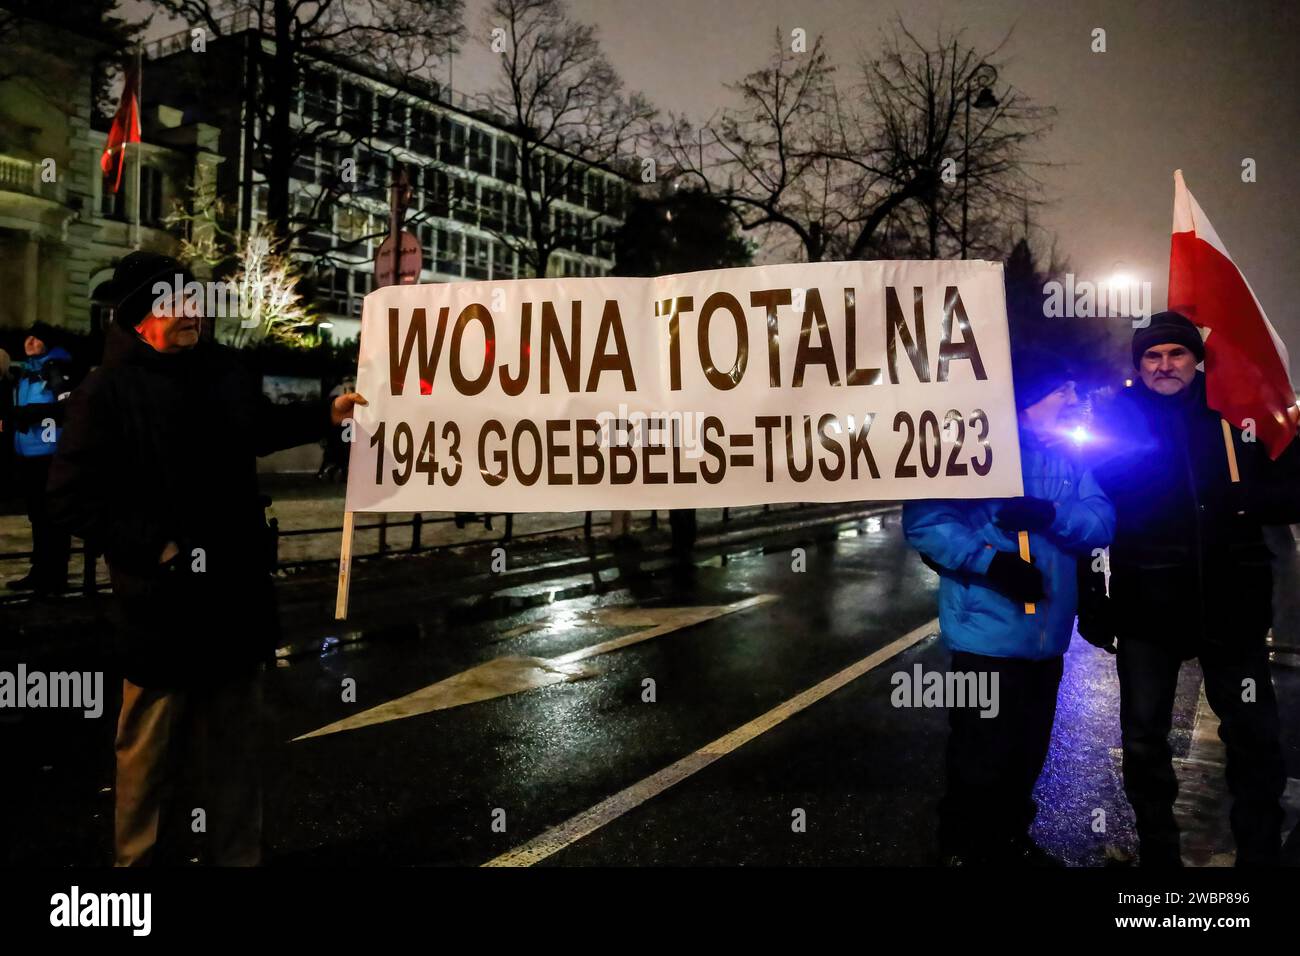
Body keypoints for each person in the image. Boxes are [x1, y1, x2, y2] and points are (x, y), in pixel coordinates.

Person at [46, 251, 367, 866]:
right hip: (160, 608)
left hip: (234, 598)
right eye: (175, 303)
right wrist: (154, 547)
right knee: (149, 756)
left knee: (236, 752)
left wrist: (325, 415)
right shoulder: (105, 393)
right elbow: (68, 498)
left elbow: (256, 427)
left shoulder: (219, 371)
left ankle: (237, 858)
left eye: (192, 300)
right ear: (141, 317)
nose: (192, 311)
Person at [1079, 310, 1300, 867]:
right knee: (1144, 739)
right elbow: (1088, 512)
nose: (1164, 365)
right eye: (1152, 356)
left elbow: (1293, 490)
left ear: (1197, 360)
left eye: (1176, 353)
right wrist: (1093, 600)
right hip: (1146, 609)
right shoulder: (1115, 422)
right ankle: (1158, 854)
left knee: (1253, 735)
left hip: (1231, 608)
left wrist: (1246, 499)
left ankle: (1259, 850)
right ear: (1140, 366)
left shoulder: (1237, 417)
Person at [903, 348, 1115, 865]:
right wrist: (992, 564)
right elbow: (927, 522)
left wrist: (1051, 513)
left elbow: (1102, 521)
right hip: (984, 642)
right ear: (1027, 399)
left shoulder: (1070, 457)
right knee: (979, 754)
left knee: (1026, 753)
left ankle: (1009, 842)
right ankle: (962, 851)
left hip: (1046, 642)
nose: (1073, 398)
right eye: (1061, 389)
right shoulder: (974, 450)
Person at [7, 321, 74, 596]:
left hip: (50, 456)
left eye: (37, 339)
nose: (30, 342)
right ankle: (40, 573)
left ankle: (54, 578)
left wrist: (34, 412)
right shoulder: (25, 371)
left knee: (53, 519)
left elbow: (67, 405)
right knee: (38, 518)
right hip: (29, 455)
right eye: (28, 337)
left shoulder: (55, 367)